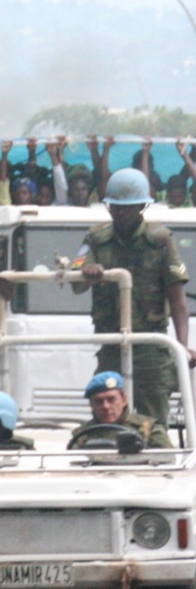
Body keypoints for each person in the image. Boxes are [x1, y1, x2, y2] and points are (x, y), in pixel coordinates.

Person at [54, 169, 195, 428]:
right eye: (114, 207)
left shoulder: (160, 240)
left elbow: (177, 299)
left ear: (141, 207)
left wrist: (182, 347)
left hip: (150, 343)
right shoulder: (95, 238)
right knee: (106, 411)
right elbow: (76, 282)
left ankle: (156, 457)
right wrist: (86, 272)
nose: (118, 213)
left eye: (126, 208)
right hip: (111, 343)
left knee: (153, 417)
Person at [70, 370, 173, 449]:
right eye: (99, 401)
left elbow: (168, 462)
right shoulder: (81, 436)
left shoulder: (149, 429)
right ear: (91, 404)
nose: (106, 406)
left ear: (124, 400)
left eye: (111, 399)